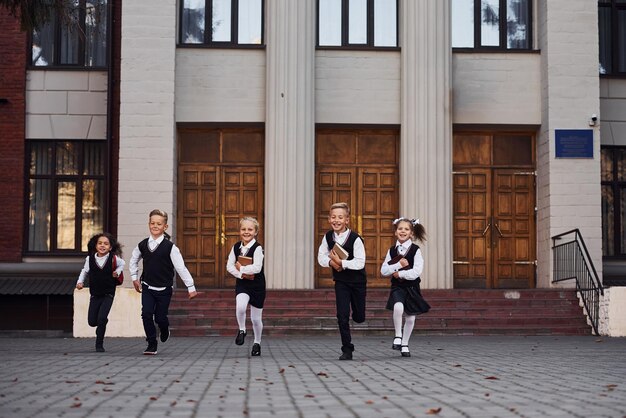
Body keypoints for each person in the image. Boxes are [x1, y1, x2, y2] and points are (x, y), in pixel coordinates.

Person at [129, 209, 198, 355]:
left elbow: (180, 267)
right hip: (147, 286)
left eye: (159, 224)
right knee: (146, 314)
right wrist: (134, 277)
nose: (155, 226)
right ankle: (151, 343)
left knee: (160, 317)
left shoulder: (170, 247)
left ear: (165, 227)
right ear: (149, 224)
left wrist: (190, 287)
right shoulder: (142, 245)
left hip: (164, 289)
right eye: (152, 223)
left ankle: (164, 328)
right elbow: (134, 260)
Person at [317, 202, 366, 360]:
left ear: (347, 220)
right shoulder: (327, 237)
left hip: (358, 282)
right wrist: (331, 263)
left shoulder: (355, 239)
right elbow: (321, 257)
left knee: (359, 317)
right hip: (341, 282)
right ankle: (347, 348)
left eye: (340, 217)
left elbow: (360, 263)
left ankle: (359, 315)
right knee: (342, 315)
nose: (336, 220)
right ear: (329, 219)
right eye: (333, 217)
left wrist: (341, 263)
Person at [380, 217, 430, 358]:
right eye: (400, 229)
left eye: (406, 229)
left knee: (410, 318)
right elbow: (384, 271)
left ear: (411, 233)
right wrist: (398, 265)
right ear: (396, 232)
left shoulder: (416, 250)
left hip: (412, 287)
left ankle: (405, 344)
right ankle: (397, 336)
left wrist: (400, 273)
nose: (403, 231)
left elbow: (416, 272)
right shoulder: (392, 250)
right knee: (398, 307)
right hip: (398, 287)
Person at [76, 233, 125, 353]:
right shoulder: (90, 259)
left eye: (106, 244)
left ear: (110, 247)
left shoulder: (114, 258)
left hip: (108, 293)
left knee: (102, 318)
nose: (102, 245)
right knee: (92, 322)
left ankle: (99, 344)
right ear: (95, 245)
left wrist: (117, 272)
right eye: (100, 243)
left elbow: (122, 264)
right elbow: (84, 271)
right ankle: (102, 322)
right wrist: (80, 282)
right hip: (95, 294)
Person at [226, 217, 266, 357]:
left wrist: (241, 268)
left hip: (257, 286)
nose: (246, 232)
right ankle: (242, 329)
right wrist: (241, 274)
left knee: (256, 319)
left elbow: (257, 268)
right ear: (239, 231)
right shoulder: (236, 247)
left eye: (250, 229)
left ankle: (257, 342)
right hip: (243, 283)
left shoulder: (258, 248)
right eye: (243, 229)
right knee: (240, 306)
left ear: (255, 232)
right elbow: (229, 266)